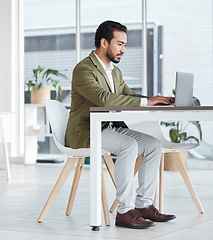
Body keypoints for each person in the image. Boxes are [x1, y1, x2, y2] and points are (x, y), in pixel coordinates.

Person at [65, 20, 176, 229]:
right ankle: (124, 211)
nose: (124, 50)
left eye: (125, 45)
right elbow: (104, 99)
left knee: (153, 145)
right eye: (120, 44)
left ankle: (143, 205)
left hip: (108, 126)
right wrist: (146, 102)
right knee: (128, 146)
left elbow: (128, 95)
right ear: (104, 42)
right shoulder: (83, 69)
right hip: (87, 131)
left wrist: (154, 99)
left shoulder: (114, 71)